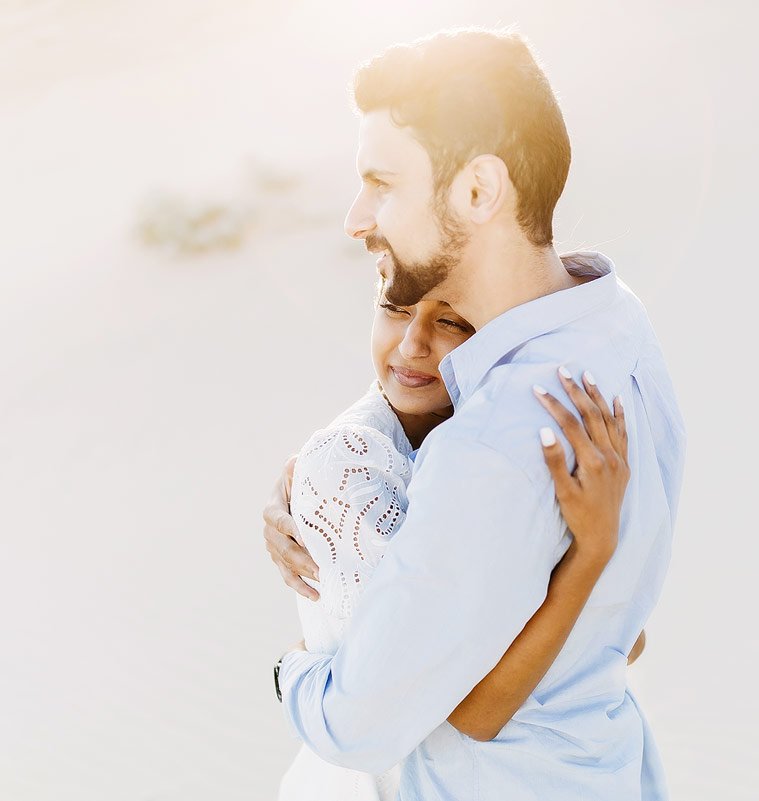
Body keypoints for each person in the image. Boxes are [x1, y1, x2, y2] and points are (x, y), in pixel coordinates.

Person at [261, 28, 685, 800]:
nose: (357, 217)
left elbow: (361, 724)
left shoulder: (493, 446)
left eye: (383, 182)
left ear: (480, 191)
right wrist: (332, 470)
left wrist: (293, 664)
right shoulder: (615, 323)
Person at [273, 289, 639, 800]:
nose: (412, 344)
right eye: (393, 308)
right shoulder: (351, 465)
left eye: (452, 323)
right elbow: (475, 711)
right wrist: (593, 553)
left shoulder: (520, 438)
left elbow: (626, 643)